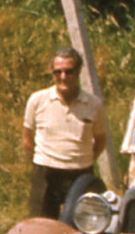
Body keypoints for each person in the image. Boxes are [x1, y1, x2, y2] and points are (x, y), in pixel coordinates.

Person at [23, 47, 107, 219]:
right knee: (42, 225)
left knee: (82, 225)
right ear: (52, 73)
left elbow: (100, 139)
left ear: (78, 72)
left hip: (80, 173)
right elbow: (27, 138)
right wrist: (42, 159)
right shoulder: (37, 100)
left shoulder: (93, 104)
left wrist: (84, 158)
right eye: (58, 72)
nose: (63, 77)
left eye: (69, 72)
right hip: (46, 172)